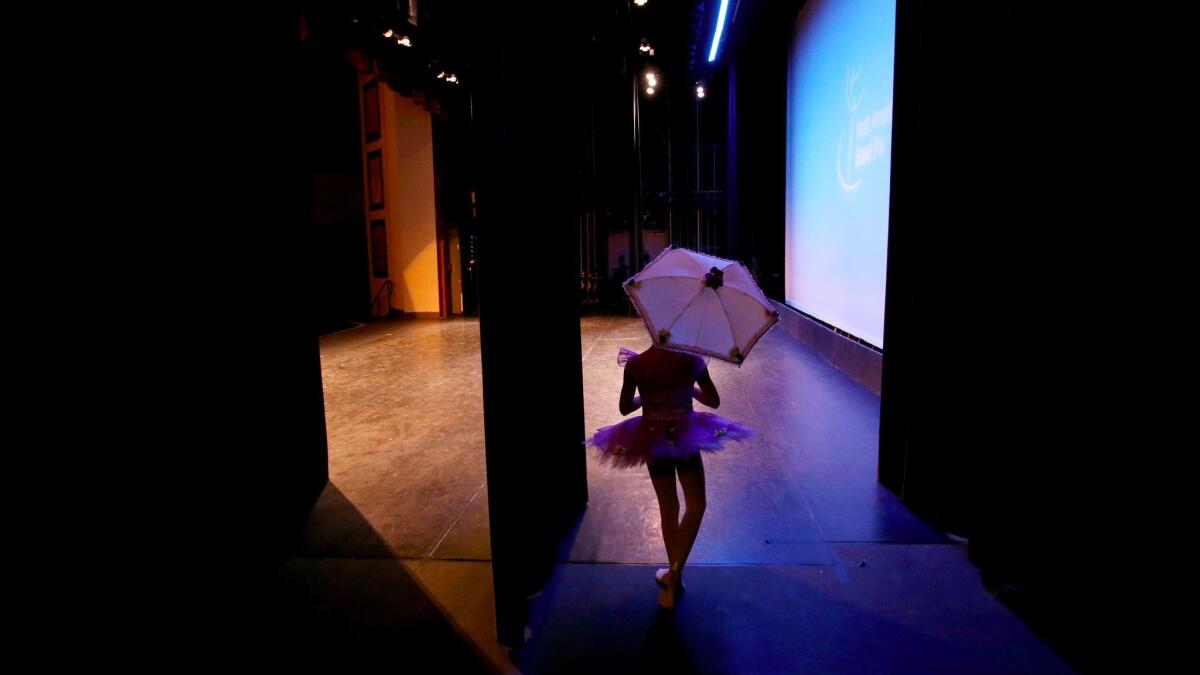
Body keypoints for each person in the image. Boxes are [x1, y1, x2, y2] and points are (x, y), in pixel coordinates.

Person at [587, 345, 752, 609]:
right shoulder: (692, 360)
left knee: (668, 507)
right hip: (685, 436)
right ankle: (674, 574)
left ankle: (672, 580)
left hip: (651, 438)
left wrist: (649, 397)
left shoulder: (637, 365)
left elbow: (625, 407)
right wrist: (688, 389)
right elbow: (713, 400)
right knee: (696, 504)